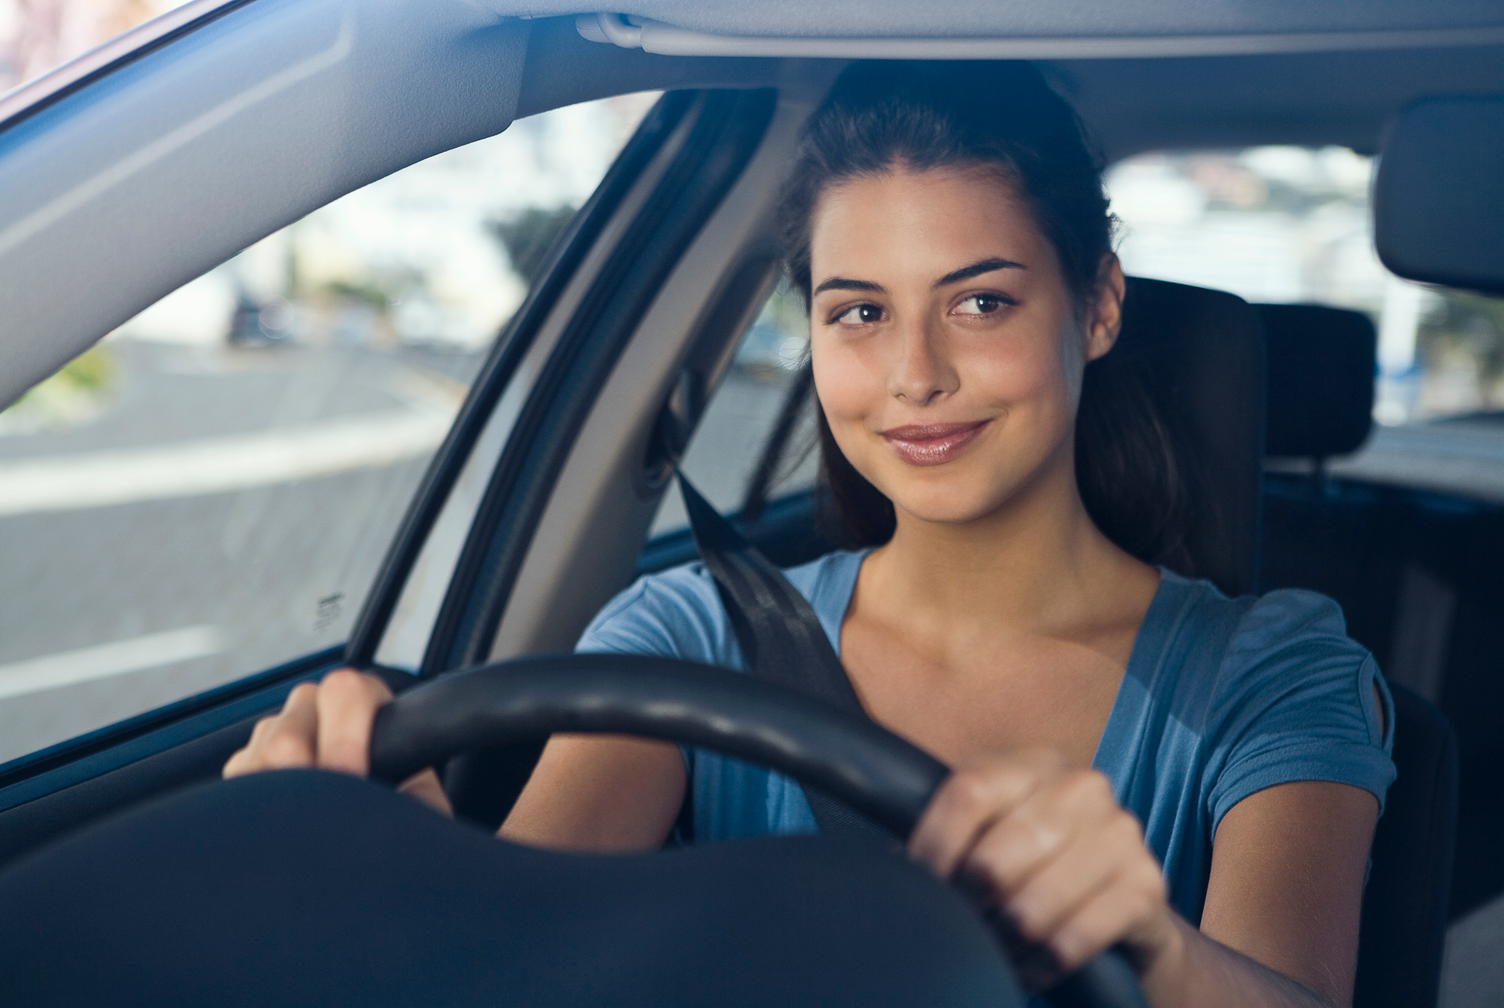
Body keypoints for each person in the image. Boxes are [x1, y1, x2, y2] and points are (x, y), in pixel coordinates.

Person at [224, 62, 1394, 1008]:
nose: (914, 374)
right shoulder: (687, 635)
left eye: (980, 301)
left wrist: (1150, 946)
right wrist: (403, 850)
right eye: (859, 312)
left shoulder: (1271, 673)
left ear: (1096, 306)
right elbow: (527, 958)